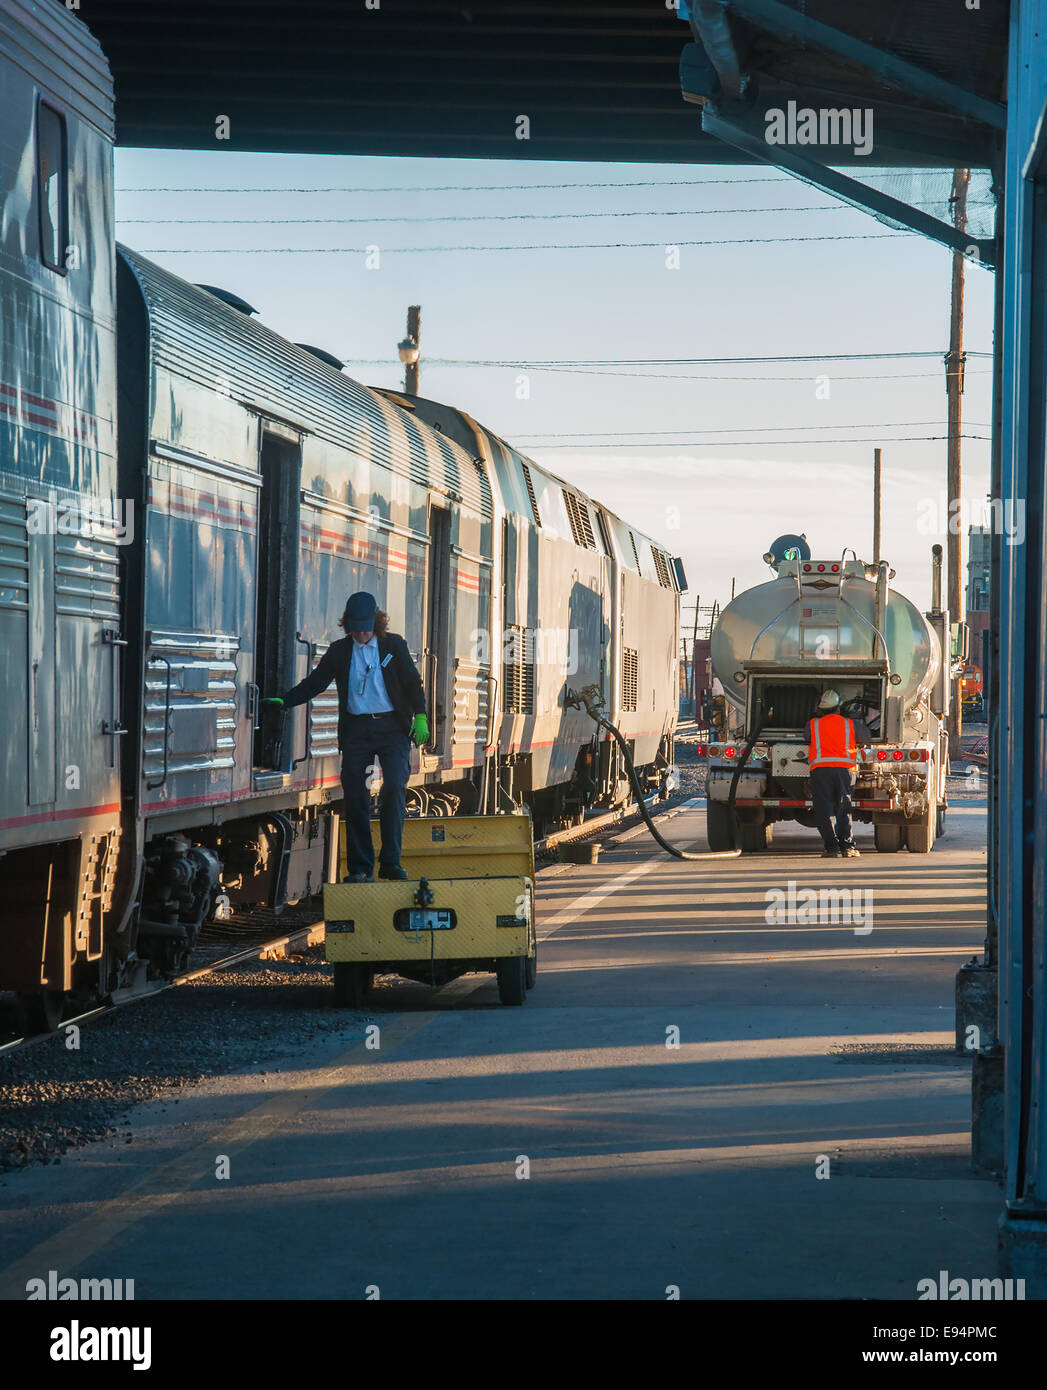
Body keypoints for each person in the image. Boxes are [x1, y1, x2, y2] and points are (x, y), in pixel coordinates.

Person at [263, 592, 429, 882]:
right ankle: (361, 868)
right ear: (348, 625)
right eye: (356, 628)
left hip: (391, 730)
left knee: (394, 789)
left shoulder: (393, 645)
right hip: (358, 733)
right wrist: (285, 701)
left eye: (366, 627)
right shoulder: (340, 651)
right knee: (356, 798)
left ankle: (391, 862)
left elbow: (412, 682)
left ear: (376, 623)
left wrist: (421, 715)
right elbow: (315, 683)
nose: (362, 633)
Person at [800, 689, 874, 859]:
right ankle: (847, 847)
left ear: (820, 709)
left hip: (821, 770)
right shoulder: (850, 724)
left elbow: (806, 737)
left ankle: (831, 848)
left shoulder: (813, 724)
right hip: (844, 771)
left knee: (823, 810)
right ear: (838, 708)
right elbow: (866, 737)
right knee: (844, 807)